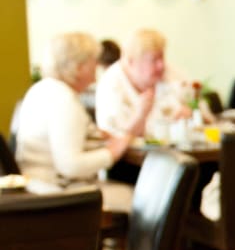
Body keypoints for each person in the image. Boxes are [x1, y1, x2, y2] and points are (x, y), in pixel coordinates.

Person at [15, 31, 133, 210]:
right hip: (60, 194)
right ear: (78, 67)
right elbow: (70, 166)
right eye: (93, 62)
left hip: (35, 188)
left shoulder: (40, 90)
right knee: (140, 199)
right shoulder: (64, 100)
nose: (96, 70)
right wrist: (112, 152)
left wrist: (92, 136)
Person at [94, 27, 190, 142]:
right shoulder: (110, 85)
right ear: (131, 61)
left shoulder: (169, 73)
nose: (161, 65)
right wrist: (140, 116)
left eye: (162, 57)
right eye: (154, 60)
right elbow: (114, 141)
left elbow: (197, 107)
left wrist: (190, 112)